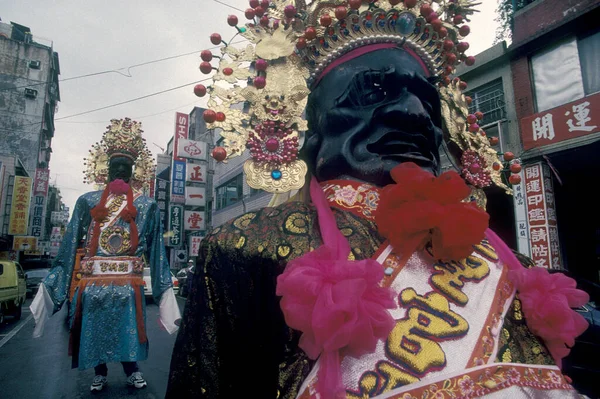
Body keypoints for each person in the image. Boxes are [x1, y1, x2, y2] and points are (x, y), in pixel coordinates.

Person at [167, 1, 589, 398]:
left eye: (427, 101)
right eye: (370, 92)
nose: (413, 112)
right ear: (312, 130)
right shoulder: (246, 247)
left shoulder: (510, 266)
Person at [31, 118, 181, 392]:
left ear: (134, 172)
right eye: (115, 168)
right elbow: (67, 248)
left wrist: (164, 290)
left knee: (129, 328)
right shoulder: (87, 201)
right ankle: (99, 371)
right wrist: (52, 285)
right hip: (93, 284)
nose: (120, 174)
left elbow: (158, 249)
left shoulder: (146, 206)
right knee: (94, 328)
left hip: (128, 285)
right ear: (106, 169)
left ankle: (132, 369)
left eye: (126, 169)